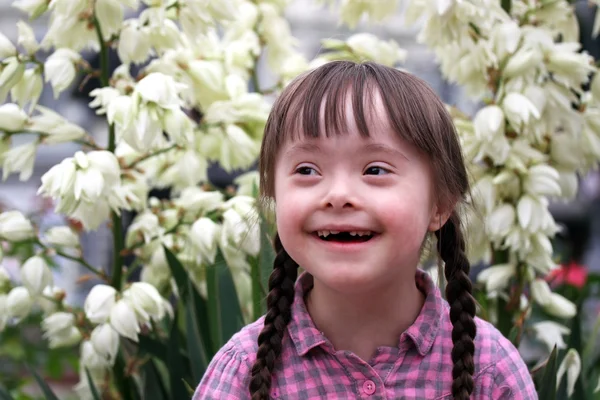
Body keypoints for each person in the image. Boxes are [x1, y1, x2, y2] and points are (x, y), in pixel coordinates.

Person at [193, 61, 537, 400]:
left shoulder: (490, 370)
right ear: (273, 195)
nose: (338, 195)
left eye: (374, 169)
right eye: (308, 170)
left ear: (441, 204)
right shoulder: (241, 371)